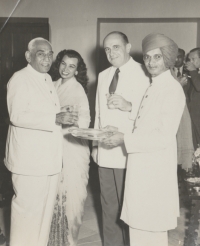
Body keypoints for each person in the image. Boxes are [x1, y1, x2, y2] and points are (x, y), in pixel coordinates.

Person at [102, 33, 185, 246]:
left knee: (150, 234)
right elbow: (144, 127)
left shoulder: (171, 89)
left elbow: (163, 137)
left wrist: (124, 139)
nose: (150, 62)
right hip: (142, 170)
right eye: (147, 57)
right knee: (139, 232)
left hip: (154, 174)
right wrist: (119, 130)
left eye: (157, 57)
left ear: (167, 59)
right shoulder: (154, 86)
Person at [4, 38, 77, 246]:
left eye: (50, 54)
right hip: (29, 162)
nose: (47, 58)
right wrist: (55, 118)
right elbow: (17, 115)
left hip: (48, 161)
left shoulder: (45, 79)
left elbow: (43, 112)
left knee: (44, 216)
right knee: (26, 215)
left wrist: (60, 116)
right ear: (28, 56)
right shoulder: (20, 78)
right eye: (40, 53)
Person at [91, 31, 149, 246]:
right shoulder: (104, 75)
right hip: (106, 151)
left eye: (115, 46)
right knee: (109, 206)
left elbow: (150, 115)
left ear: (127, 47)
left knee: (130, 208)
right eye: (107, 48)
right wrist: (95, 145)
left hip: (129, 151)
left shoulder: (144, 72)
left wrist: (129, 106)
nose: (111, 52)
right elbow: (98, 112)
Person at [48, 50, 90, 246]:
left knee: (72, 195)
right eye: (63, 64)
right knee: (52, 194)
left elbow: (84, 121)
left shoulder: (77, 89)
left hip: (72, 148)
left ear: (77, 70)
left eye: (71, 66)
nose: (66, 69)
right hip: (53, 146)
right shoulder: (52, 84)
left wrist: (67, 119)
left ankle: (69, 240)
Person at [171, 48, 194, 171]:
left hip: (188, 114)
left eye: (179, 56)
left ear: (184, 57)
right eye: (174, 56)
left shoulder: (190, 72)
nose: (176, 59)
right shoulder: (167, 72)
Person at [185, 48, 200, 150]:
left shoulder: (195, 73)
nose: (190, 62)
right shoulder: (195, 74)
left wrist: (193, 71)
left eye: (193, 59)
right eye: (189, 59)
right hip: (193, 118)